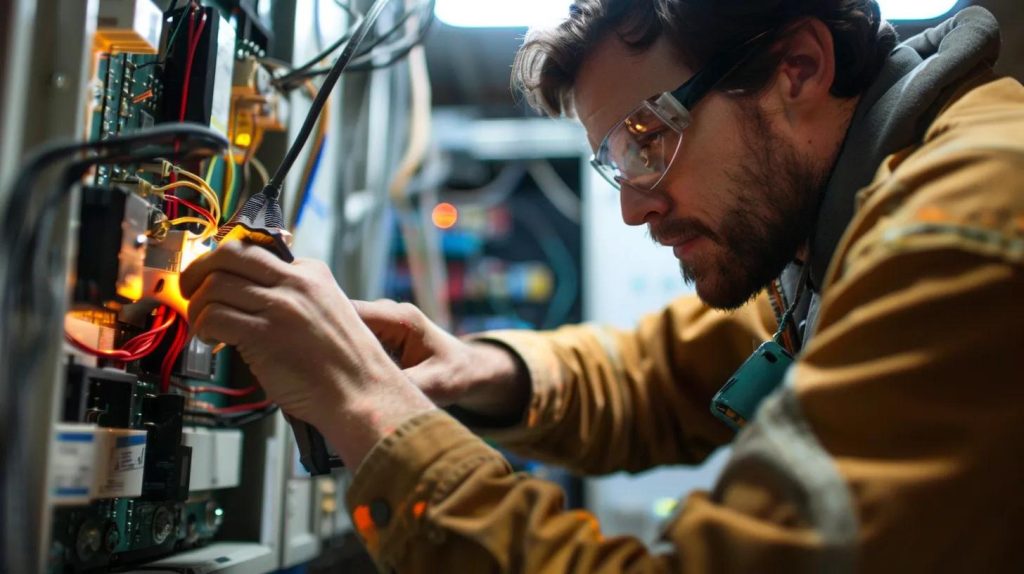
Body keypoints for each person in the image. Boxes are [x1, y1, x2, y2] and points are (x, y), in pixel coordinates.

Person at [181, 0, 1024, 571]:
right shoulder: (839, 232)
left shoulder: (965, 230)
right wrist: (473, 369)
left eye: (649, 138)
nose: (632, 208)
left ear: (796, 67)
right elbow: (663, 378)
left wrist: (366, 407)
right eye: (614, 158)